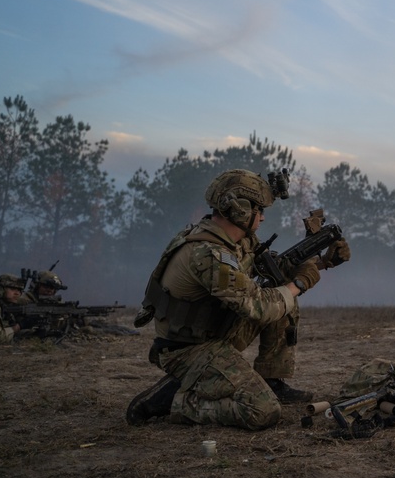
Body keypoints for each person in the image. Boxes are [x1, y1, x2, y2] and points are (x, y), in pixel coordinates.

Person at [125, 168, 350, 430]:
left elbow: (271, 269)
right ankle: (172, 399)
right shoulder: (207, 254)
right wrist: (300, 283)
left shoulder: (231, 240)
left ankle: (272, 380)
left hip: (210, 334)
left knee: (283, 298)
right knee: (261, 410)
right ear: (240, 209)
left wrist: (321, 262)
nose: (263, 217)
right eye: (259, 209)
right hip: (186, 350)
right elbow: (261, 306)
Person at [0, 274, 24, 343]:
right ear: (0, 289)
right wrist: (19, 326)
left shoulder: (5, 306)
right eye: (12, 289)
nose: (17, 293)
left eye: (19, 290)